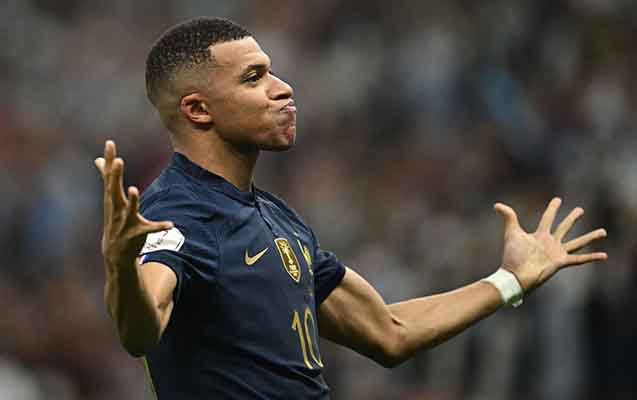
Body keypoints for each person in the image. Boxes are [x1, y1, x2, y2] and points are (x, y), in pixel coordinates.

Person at [94, 17, 608, 400]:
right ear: (197, 109)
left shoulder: (277, 218)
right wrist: (121, 265)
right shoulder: (178, 210)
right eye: (253, 78)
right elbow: (141, 329)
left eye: (272, 72)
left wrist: (509, 280)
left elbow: (388, 331)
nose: (282, 87)